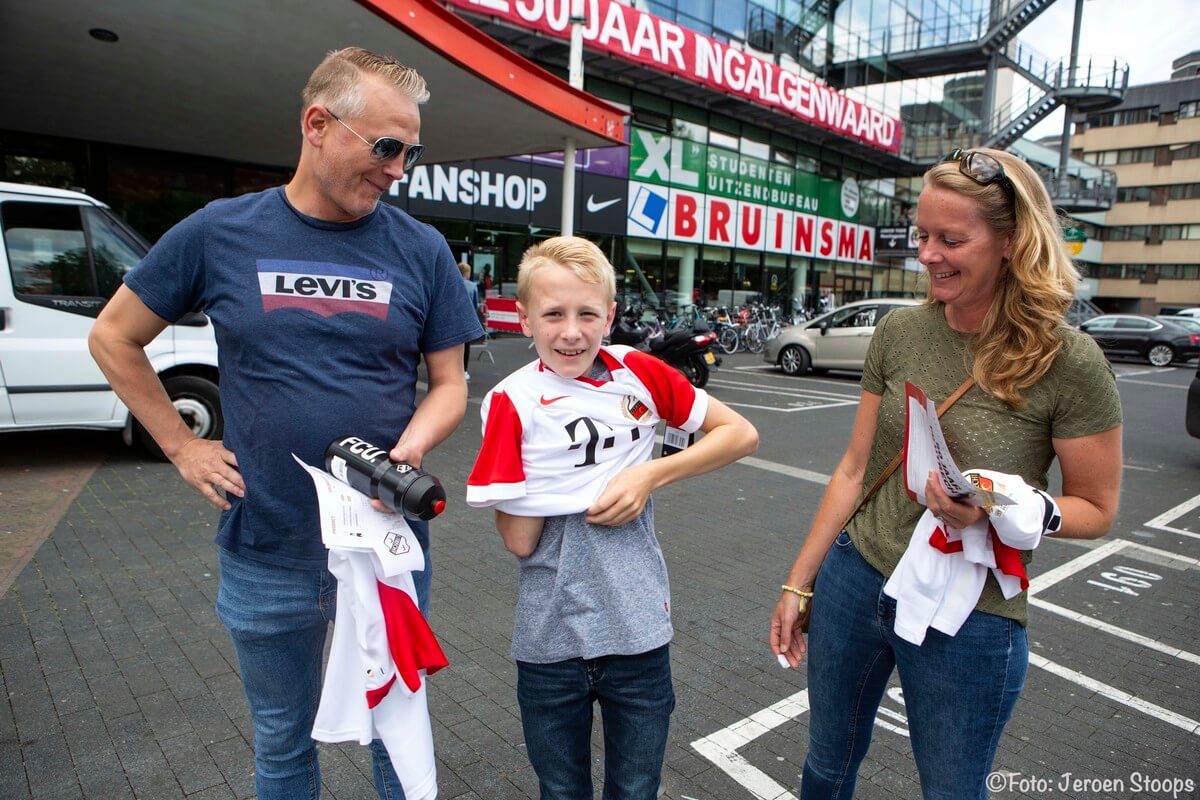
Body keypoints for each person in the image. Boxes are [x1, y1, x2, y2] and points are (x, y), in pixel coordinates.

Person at [89, 47, 483, 800]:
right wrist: (181, 444)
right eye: (386, 146)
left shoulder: (422, 249)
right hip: (267, 547)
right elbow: (114, 335)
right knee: (281, 741)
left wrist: (411, 445)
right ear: (318, 124)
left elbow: (449, 384)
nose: (399, 168)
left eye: (412, 152)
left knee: (396, 738)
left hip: (386, 549)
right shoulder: (219, 232)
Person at [769, 147, 1123, 800]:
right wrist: (800, 583)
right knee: (825, 766)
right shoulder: (901, 331)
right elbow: (854, 469)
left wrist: (1012, 504)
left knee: (952, 791)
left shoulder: (1069, 362)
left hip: (972, 613)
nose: (927, 255)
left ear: (1011, 243)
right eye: (922, 235)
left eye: (951, 239)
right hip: (856, 578)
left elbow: (1097, 509)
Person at [465, 237, 758, 799]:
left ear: (611, 315)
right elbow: (521, 540)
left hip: (633, 634)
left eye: (587, 314)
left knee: (622, 790)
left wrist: (647, 475)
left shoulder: (641, 372)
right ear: (523, 318)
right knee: (592, 791)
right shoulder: (509, 400)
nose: (570, 332)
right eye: (552, 314)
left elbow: (740, 434)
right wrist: (541, 475)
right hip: (557, 642)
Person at [459, 261, 481, 380]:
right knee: (466, 346)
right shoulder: (472, 286)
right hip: (467, 318)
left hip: (453, 318)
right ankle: (464, 371)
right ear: (467, 272)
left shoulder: (452, 284)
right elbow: (475, 304)